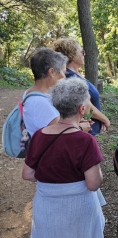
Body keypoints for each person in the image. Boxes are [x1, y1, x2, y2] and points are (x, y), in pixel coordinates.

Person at [22, 77, 106, 238]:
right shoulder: (85, 140)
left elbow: (27, 174)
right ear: (82, 109)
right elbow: (93, 183)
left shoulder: (40, 135)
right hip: (79, 210)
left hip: (46, 208)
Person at [53, 38, 110, 135]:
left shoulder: (76, 74)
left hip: (87, 130)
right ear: (72, 55)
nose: (84, 54)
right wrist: (104, 119)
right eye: (82, 52)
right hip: (81, 132)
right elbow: (85, 104)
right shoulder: (71, 78)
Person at [23, 48, 67, 136]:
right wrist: (80, 127)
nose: (64, 77)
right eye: (63, 72)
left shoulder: (30, 92)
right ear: (51, 72)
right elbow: (62, 136)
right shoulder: (41, 103)